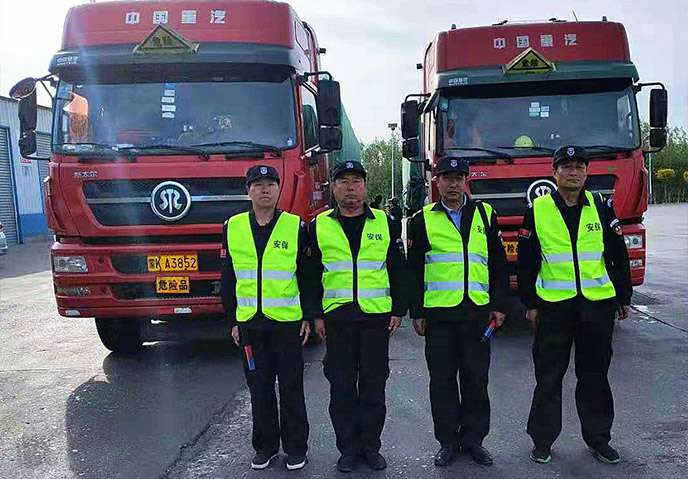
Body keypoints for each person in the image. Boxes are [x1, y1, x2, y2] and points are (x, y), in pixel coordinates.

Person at [517, 145, 632, 465]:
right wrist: (530, 303)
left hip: (597, 306)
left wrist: (623, 296)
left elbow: (618, 254)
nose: (574, 172)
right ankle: (542, 442)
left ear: (586, 172)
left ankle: (599, 439)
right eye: (566, 166)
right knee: (549, 378)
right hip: (554, 308)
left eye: (579, 166)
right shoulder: (538, 210)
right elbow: (526, 261)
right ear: (554, 173)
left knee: (595, 376)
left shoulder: (600, 206)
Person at [407, 156, 510, 467]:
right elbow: (414, 270)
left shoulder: (485, 214)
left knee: (476, 380)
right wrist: (416, 312)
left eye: (458, 178)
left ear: (466, 181)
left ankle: (474, 440)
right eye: (447, 178)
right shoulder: (421, 220)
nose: (453, 184)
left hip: (477, 313)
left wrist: (499, 305)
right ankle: (448, 442)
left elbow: (498, 263)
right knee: (442, 381)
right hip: (439, 316)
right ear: (437, 182)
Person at [309, 160, 407, 473]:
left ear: (365, 186)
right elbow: (310, 275)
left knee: (374, 387)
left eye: (356, 181)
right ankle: (348, 449)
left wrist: (398, 309)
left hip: (375, 319)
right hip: (337, 320)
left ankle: (371, 447)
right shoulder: (318, 225)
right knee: (341, 387)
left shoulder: (385, 222)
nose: (350, 188)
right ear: (334, 187)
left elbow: (398, 268)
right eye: (344, 182)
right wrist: (315, 315)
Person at [221, 164, 313, 471]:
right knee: (259, 389)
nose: (265, 190)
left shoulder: (295, 227)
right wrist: (233, 321)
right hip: (250, 326)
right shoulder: (232, 227)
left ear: (278, 189)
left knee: (291, 388)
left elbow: (307, 276)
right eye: (258, 184)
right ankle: (265, 447)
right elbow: (228, 278)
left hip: (286, 324)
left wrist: (308, 316)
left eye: (271, 184)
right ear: (248, 190)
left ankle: (296, 448)